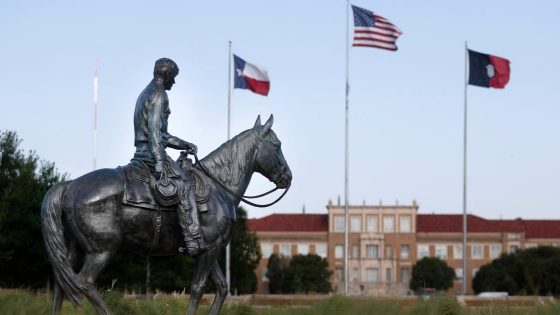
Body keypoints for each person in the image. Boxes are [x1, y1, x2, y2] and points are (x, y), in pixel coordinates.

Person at [132, 58, 207, 256]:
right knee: (185, 185)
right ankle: (192, 238)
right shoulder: (159, 95)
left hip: (143, 149)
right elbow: (156, 134)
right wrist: (158, 160)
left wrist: (184, 144)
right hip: (150, 153)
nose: (174, 82)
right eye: (173, 78)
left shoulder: (145, 93)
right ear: (165, 76)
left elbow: (160, 133)